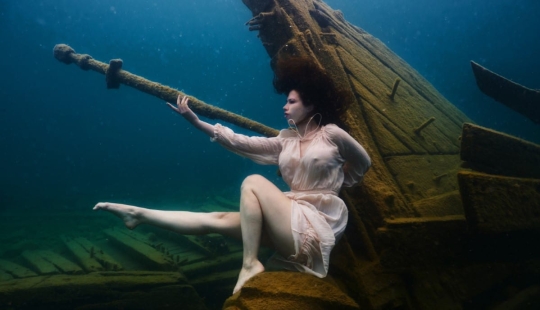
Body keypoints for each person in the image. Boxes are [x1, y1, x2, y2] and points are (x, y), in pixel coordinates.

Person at [93, 57, 371, 294]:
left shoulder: (332, 134)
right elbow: (241, 141)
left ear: (310, 105)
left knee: (252, 182)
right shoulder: (285, 139)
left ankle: (249, 264)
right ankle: (138, 215)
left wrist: (335, 184)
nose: (285, 107)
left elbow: (363, 163)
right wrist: (196, 122)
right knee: (218, 219)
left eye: (291, 101)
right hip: (289, 218)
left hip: (316, 225)